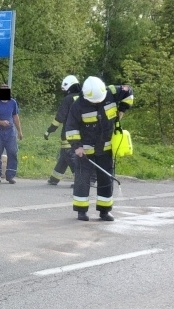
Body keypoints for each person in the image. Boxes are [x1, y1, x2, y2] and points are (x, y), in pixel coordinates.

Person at [65, 76, 134, 221]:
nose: (97, 102)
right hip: (85, 150)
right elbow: (71, 128)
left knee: (106, 179)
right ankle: (81, 211)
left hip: (106, 148)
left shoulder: (112, 92)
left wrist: (122, 109)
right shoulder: (78, 105)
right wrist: (77, 147)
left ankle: (104, 211)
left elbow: (129, 92)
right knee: (82, 180)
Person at [45, 75, 82, 186]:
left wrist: (49, 130)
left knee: (69, 156)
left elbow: (59, 117)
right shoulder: (83, 98)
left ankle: (80, 180)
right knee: (64, 157)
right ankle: (54, 178)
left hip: (69, 134)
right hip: (82, 133)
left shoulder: (68, 99)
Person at [0, 84, 23, 183]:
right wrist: (0, 122)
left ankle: (10, 175)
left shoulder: (13, 102)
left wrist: (19, 131)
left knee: (12, 151)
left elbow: (15, 117)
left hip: (10, 132)